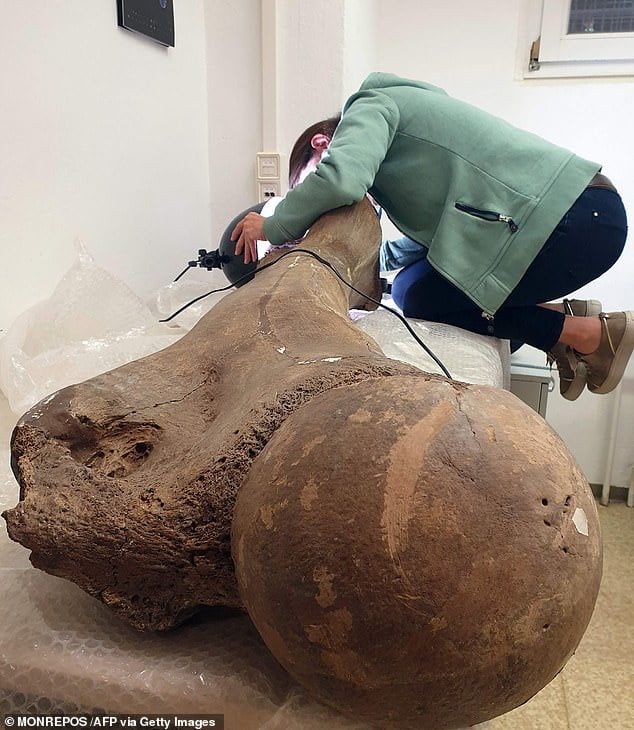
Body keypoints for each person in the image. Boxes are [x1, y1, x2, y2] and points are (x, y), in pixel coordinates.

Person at [232, 72, 631, 400]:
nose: (315, 208)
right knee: (412, 282)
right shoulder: (406, 122)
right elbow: (439, 240)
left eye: (309, 183)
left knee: (418, 294)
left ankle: (587, 335)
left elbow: (340, 181)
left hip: (575, 223)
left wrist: (273, 224)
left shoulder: (370, 104)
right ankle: (566, 321)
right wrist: (375, 262)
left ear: (323, 144)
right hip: (583, 217)